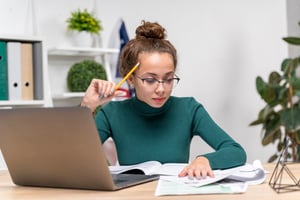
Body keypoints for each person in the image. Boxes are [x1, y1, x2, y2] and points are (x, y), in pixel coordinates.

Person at [80, 20, 247, 179]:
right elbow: (76, 158)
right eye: (150, 80)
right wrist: (86, 107)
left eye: (168, 79)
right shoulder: (112, 113)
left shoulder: (189, 109)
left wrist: (205, 160)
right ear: (130, 79)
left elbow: (236, 151)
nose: (161, 89)